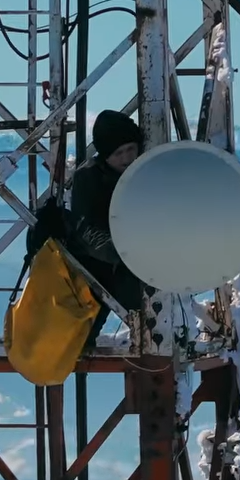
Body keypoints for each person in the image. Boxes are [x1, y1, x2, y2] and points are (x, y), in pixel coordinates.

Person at [67, 109, 147, 348]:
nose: (127, 158)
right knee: (81, 336)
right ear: (104, 155)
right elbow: (87, 229)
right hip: (99, 268)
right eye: (118, 153)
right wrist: (120, 252)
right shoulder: (88, 179)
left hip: (138, 262)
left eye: (131, 149)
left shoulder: (148, 170)